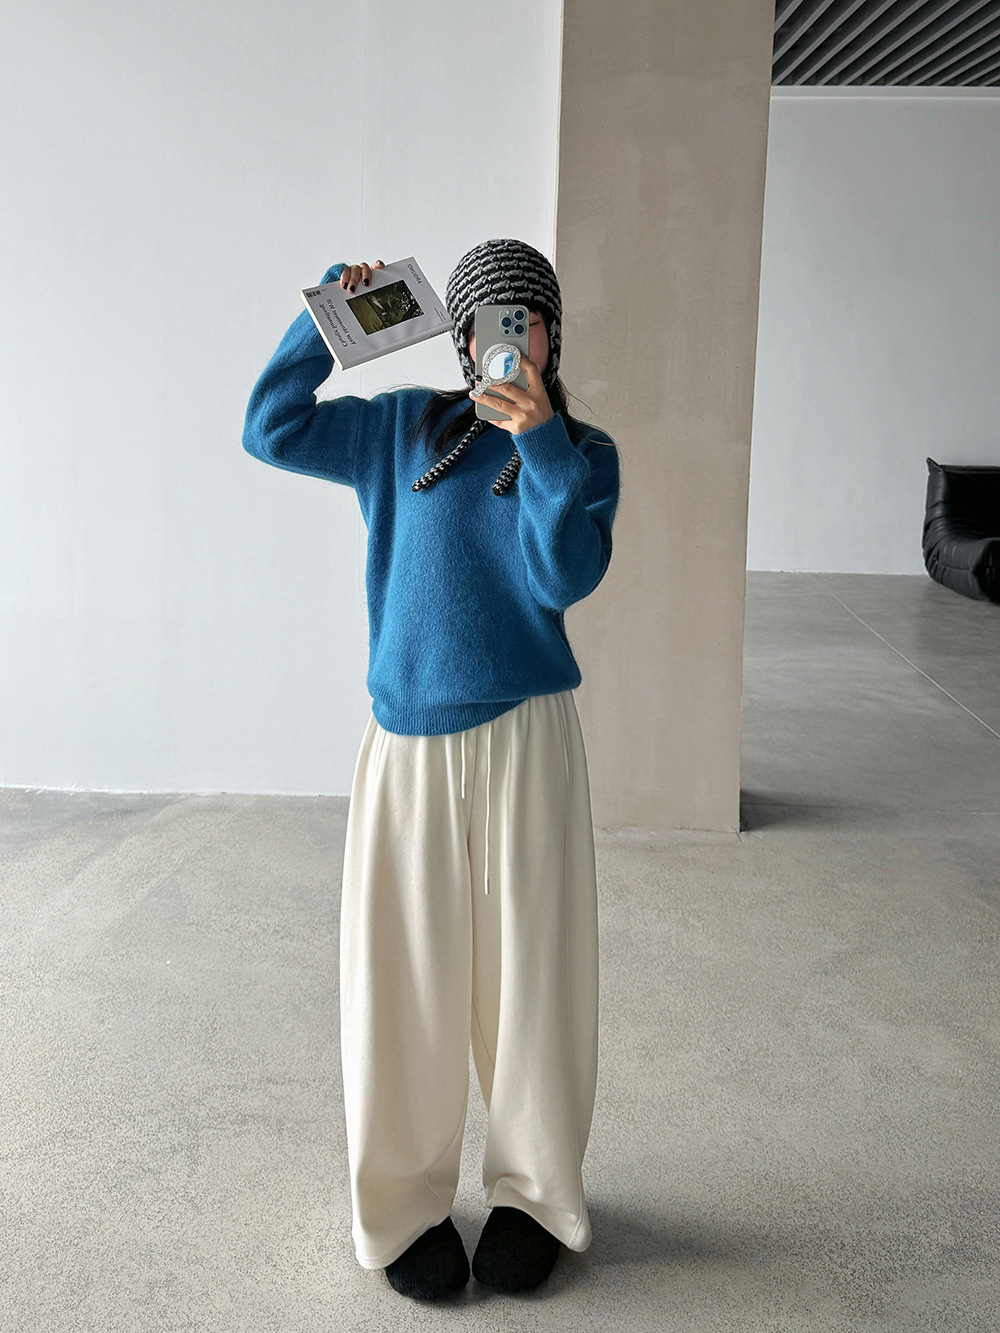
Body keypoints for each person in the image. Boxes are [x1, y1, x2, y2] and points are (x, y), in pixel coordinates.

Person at [242, 238, 621, 1301]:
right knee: (400, 984)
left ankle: (534, 1197)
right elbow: (269, 427)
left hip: (528, 740)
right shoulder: (400, 428)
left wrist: (542, 445)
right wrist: (328, 320)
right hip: (406, 746)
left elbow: (565, 575)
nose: (503, 340)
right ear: (457, 336)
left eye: (521, 320)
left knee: (534, 983)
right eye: (484, 321)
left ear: (549, 334)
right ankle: (404, 1204)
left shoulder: (584, 453)